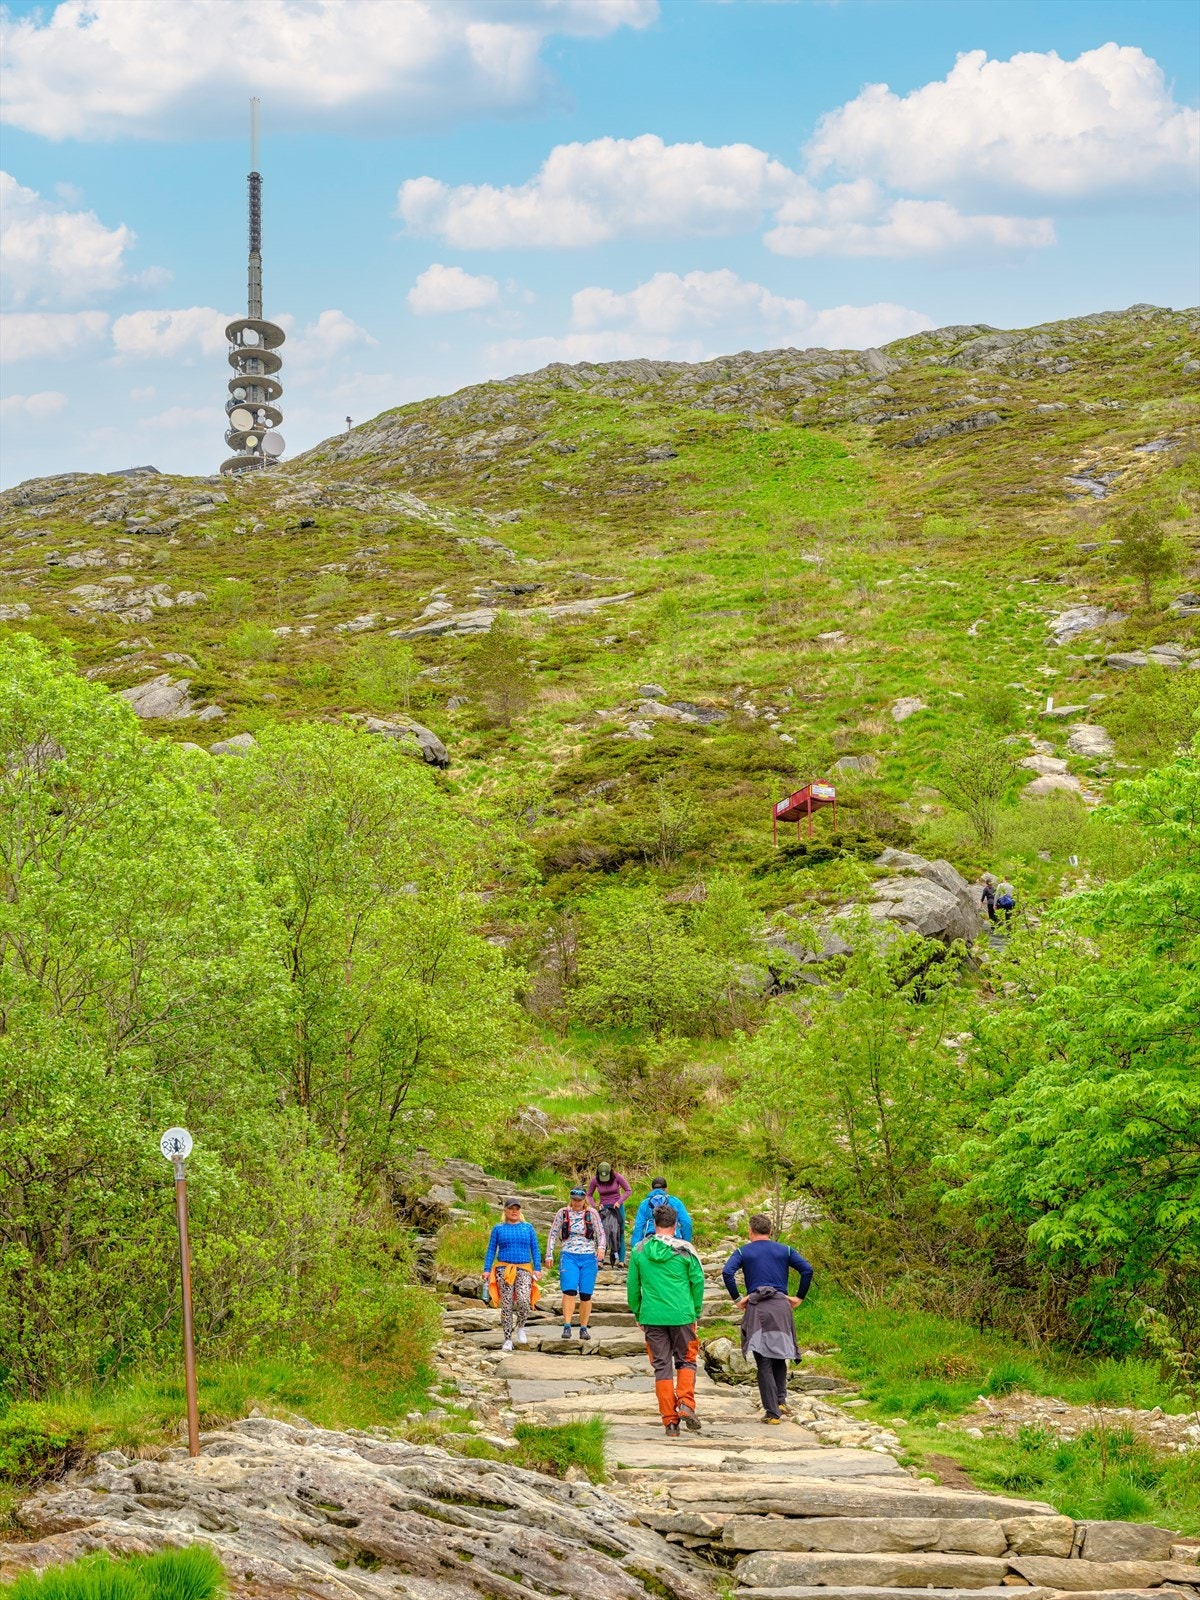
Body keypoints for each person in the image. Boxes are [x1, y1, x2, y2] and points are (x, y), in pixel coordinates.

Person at [722, 1215, 813, 1424]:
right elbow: (807, 1269)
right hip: (781, 1306)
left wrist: (737, 1299)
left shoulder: (743, 1251)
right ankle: (780, 1400)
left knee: (763, 1357)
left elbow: (727, 1272)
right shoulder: (785, 1250)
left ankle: (772, 1413)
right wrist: (799, 1297)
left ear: (750, 1231)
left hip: (757, 1307)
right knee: (780, 1354)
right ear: (770, 1231)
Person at [627, 1203, 706, 1439]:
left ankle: (670, 1423)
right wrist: (696, 1311)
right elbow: (698, 1283)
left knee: (661, 1367)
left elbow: (633, 1286)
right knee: (687, 1360)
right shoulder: (686, 1250)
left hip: (652, 1315)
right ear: (676, 1225)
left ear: (653, 1224)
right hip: (682, 1315)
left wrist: (638, 1312)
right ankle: (685, 1403)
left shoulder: (640, 1251)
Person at [482, 1198, 542, 1353]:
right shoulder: (498, 1228)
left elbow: (535, 1249)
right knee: (506, 1305)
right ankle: (507, 1339)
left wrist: (538, 1268)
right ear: (505, 1210)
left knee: (523, 1300)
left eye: (517, 1209)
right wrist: (487, 1270)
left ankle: (521, 1325)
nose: (514, 1211)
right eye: (511, 1208)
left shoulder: (528, 1228)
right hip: (504, 1269)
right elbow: (491, 1250)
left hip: (524, 1269)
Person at [545, 1187, 604, 1341]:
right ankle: (567, 1324)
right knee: (569, 1290)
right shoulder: (562, 1213)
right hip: (569, 1254)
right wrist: (549, 1254)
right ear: (571, 1199)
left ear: (585, 1200)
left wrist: (601, 1248)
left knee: (585, 1294)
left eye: (580, 1200)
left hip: (588, 1256)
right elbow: (552, 1233)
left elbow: (601, 1233)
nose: (577, 1203)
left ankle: (584, 1327)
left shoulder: (592, 1214)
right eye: (574, 1200)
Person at [587, 1162, 632, 1267]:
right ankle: (600, 1261)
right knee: (602, 1233)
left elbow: (628, 1190)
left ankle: (621, 1261)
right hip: (604, 1209)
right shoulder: (595, 1180)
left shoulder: (617, 1177)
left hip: (617, 1207)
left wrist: (619, 1202)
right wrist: (595, 1205)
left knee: (619, 1232)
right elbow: (589, 1195)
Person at [630, 1176, 693, 1249]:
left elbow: (638, 1227)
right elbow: (687, 1223)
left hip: (650, 1241)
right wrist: (686, 1244)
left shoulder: (644, 1204)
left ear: (652, 1189)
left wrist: (635, 1247)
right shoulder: (675, 1202)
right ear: (666, 1189)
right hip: (672, 1242)